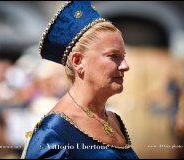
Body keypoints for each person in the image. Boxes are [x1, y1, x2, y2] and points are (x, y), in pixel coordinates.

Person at [21, 1, 139, 159]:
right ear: (78, 62)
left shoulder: (113, 120)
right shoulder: (53, 133)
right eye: (113, 56)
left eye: (123, 57)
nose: (125, 66)